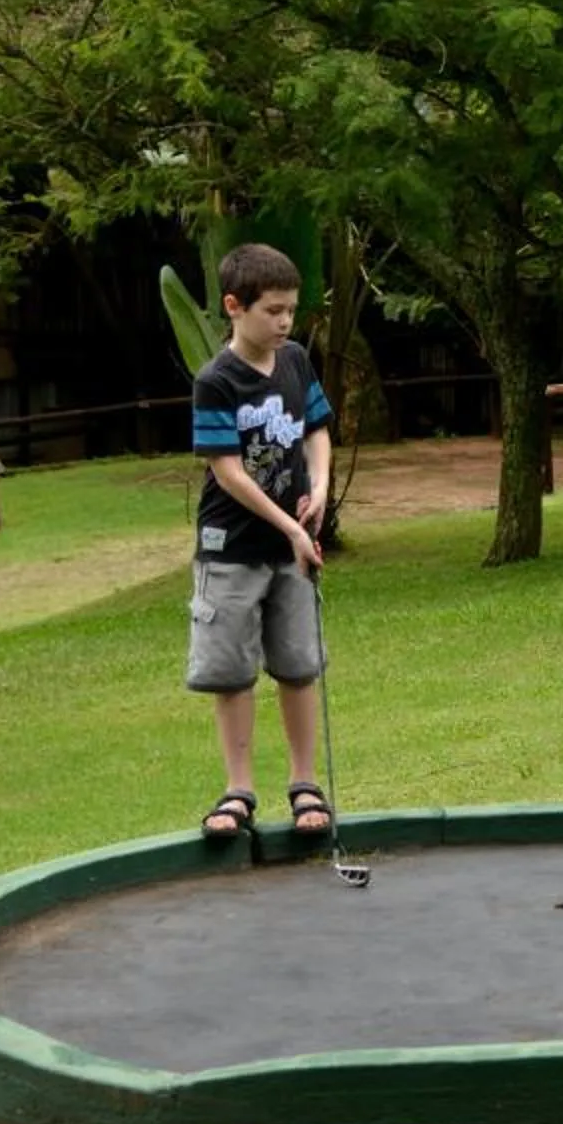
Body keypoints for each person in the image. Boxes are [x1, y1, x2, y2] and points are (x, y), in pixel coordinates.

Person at [187, 243, 339, 843]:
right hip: (231, 549)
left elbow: (317, 428)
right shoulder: (216, 381)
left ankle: (305, 784)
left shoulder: (296, 361)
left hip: (291, 549)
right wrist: (292, 526)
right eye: (272, 311)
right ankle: (239, 790)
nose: (283, 323)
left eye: (291, 311)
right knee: (231, 672)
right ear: (234, 307)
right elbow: (229, 471)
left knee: (298, 665)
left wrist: (321, 487)